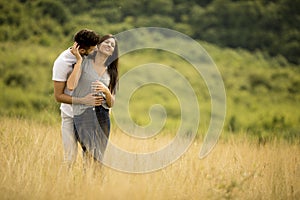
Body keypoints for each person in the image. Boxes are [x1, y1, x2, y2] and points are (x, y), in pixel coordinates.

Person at [67, 34, 119, 163]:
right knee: (89, 153)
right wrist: (78, 60)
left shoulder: (111, 72)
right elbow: (71, 85)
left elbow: (111, 103)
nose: (109, 46)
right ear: (98, 45)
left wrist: (106, 91)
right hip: (83, 114)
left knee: (99, 156)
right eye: (107, 42)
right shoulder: (84, 63)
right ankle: (88, 180)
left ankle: (94, 182)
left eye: (112, 45)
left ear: (113, 52)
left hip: (103, 115)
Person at [52, 29, 101, 166]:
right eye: (93, 48)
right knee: (70, 157)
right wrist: (83, 101)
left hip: (87, 115)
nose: (96, 49)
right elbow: (59, 96)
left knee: (91, 156)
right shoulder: (62, 63)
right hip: (69, 115)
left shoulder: (91, 56)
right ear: (83, 50)